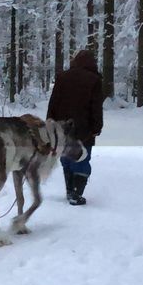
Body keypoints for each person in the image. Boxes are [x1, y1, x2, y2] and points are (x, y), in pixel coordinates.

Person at [46, 49, 105, 205]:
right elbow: (96, 107)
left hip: (62, 128)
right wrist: (97, 127)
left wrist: (50, 122)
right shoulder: (94, 80)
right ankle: (76, 194)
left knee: (66, 157)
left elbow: (53, 103)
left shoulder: (62, 77)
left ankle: (69, 190)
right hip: (84, 128)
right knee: (82, 158)